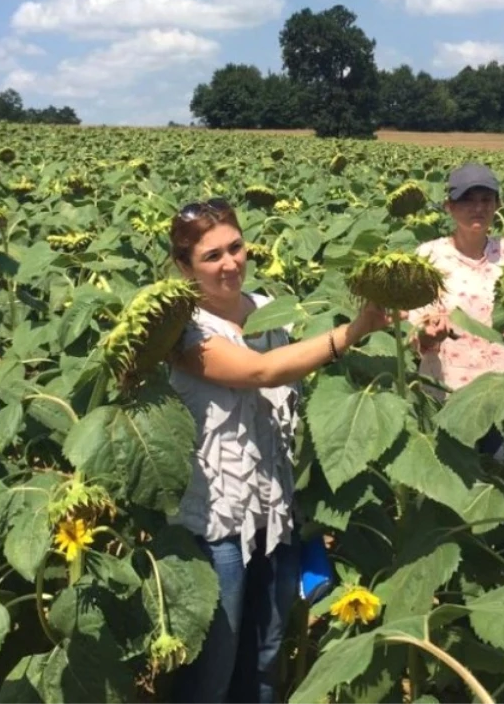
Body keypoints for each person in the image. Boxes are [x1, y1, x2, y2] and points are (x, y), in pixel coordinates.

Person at [165, 197, 392, 704]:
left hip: (275, 511)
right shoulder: (180, 329)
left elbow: (306, 370)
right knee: (213, 665)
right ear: (184, 267)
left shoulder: (274, 309)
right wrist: (354, 330)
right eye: (211, 257)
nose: (230, 264)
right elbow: (260, 372)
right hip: (216, 521)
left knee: (266, 658)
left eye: (236, 247)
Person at [408, 163, 504, 456]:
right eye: (468, 199)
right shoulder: (429, 257)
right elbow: (418, 324)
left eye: (486, 199)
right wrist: (428, 336)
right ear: (449, 207)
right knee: (454, 481)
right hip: (448, 398)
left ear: (497, 205)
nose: (477, 207)